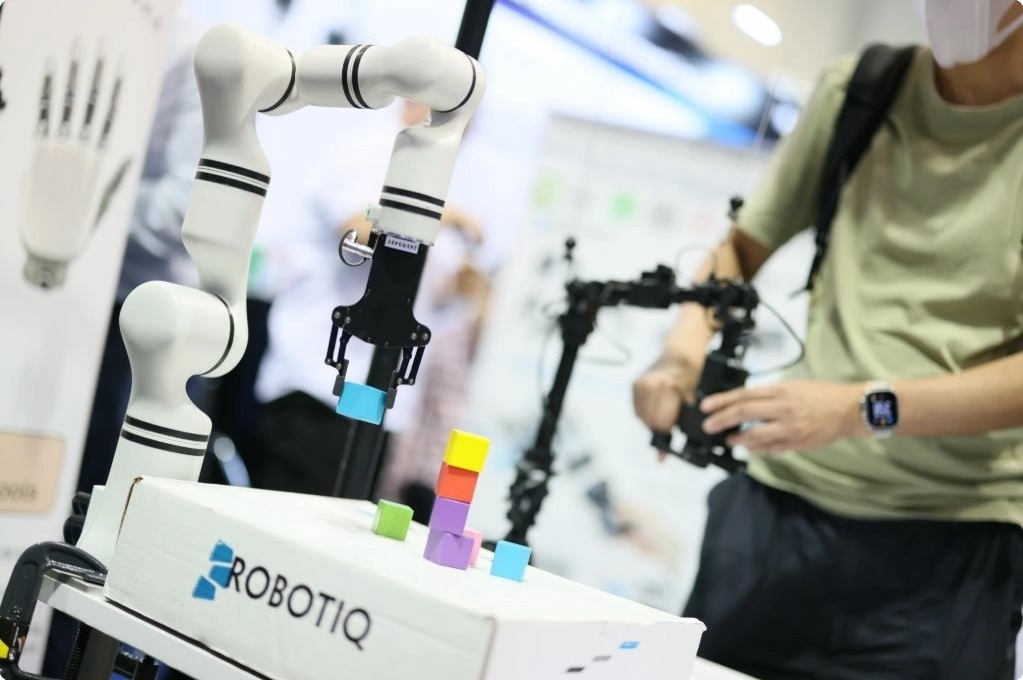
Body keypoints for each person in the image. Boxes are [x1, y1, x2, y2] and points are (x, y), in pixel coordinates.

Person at [632, 2, 1023, 679]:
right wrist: (681, 352)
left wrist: (858, 408)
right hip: (775, 514)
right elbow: (739, 250)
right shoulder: (862, 90)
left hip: (951, 545)